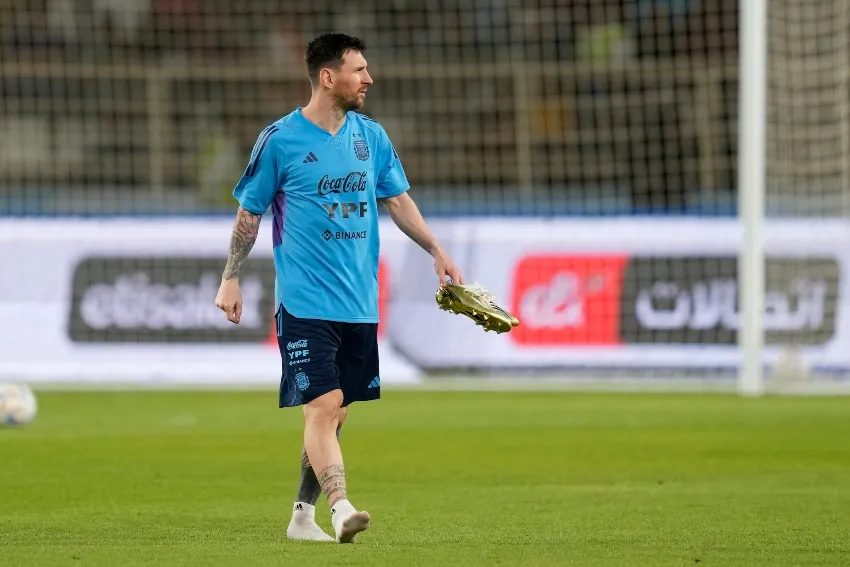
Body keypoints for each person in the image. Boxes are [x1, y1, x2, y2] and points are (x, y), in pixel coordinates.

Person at [214, 33, 463, 544]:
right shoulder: (280, 140)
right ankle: (341, 507)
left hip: (359, 302)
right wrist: (230, 276)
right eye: (359, 70)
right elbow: (249, 213)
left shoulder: (371, 137)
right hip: (304, 301)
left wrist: (436, 250)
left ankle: (301, 517)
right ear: (328, 77)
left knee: (337, 411)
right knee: (323, 406)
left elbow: (397, 200)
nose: (369, 78)